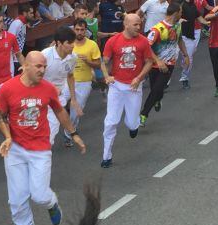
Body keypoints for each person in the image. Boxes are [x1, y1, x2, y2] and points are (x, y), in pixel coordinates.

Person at [0, 51, 86, 225]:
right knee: (17, 197)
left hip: (40, 149)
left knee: (39, 195)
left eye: (44, 66)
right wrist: (8, 137)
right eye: (38, 66)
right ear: (25, 66)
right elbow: (1, 116)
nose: (43, 70)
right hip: (16, 150)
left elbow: (60, 112)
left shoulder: (48, 89)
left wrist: (74, 133)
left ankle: (52, 203)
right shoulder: (7, 88)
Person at [100, 13, 155, 168]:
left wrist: (139, 77)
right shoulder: (113, 41)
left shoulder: (143, 41)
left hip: (133, 88)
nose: (139, 27)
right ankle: (106, 156)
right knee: (111, 121)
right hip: (116, 86)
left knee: (131, 123)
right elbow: (103, 62)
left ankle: (133, 126)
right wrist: (106, 76)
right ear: (126, 25)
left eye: (140, 24)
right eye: (136, 25)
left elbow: (149, 61)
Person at [140, 3, 187, 127]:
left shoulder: (177, 26)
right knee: (155, 90)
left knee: (157, 89)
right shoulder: (157, 29)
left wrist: (186, 55)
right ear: (176, 12)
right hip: (154, 65)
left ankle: (143, 114)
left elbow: (180, 40)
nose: (182, 14)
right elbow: (147, 47)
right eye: (181, 12)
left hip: (169, 64)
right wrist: (158, 61)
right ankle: (157, 100)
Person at [41, 27, 82, 148]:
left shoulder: (73, 57)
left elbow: (70, 76)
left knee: (51, 135)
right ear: (59, 43)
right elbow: (34, 78)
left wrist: (73, 100)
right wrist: (49, 89)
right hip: (39, 99)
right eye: (69, 43)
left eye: (73, 42)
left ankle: (42, 155)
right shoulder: (44, 55)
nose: (73, 45)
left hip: (56, 101)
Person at [66, 20, 101, 143]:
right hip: (66, 81)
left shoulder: (92, 45)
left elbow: (98, 64)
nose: (79, 32)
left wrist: (88, 61)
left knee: (76, 112)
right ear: (73, 30)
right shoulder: (68, 44)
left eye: (82, 30)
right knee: (57, 105)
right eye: (77, 29)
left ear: (86, 31)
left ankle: (69, 132)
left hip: (84, 82)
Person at [179, 0, 209, 89]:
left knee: (189, 55)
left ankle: (184, 74)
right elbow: (172, 16)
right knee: (188, 57)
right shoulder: (180, 4)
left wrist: (207, 22)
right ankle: (184, 78)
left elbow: (199, 17)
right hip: (182, 35)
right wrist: (179, 20)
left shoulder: (193, 5)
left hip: (191, 35)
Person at [8, 4, 34, 74]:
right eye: (31, 13)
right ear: (25, 13)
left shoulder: (23, 23)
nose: (32, 15)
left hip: (18, 58)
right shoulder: (17, 23)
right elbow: (10, 39)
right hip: (14, 59)